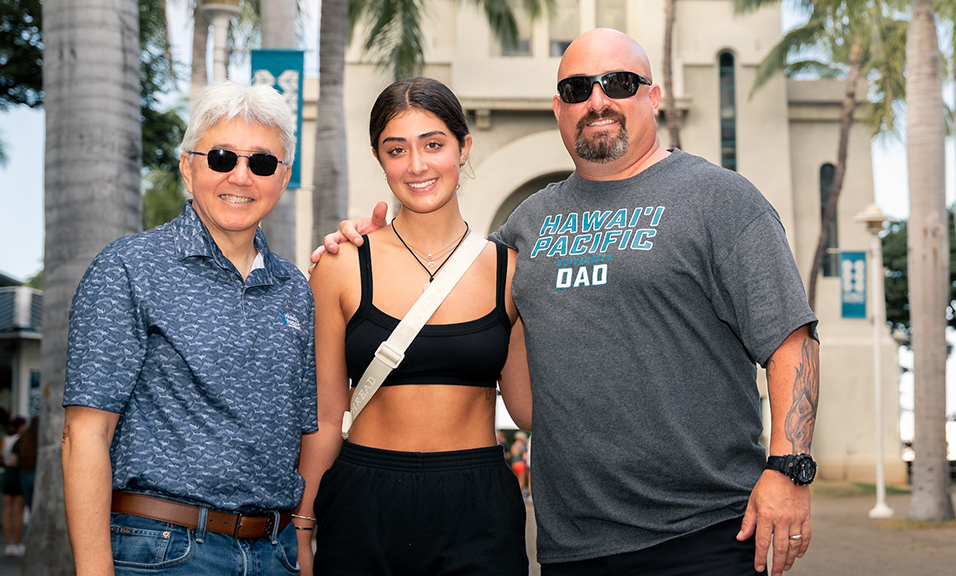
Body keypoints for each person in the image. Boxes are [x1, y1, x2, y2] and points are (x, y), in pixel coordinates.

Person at [313, 29, 820, 576]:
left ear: (652, 96)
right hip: (574, 543)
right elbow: (458, 297)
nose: (597, 100)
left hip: (706, 531)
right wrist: (368, 243)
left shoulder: (720, 199)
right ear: (559, 109)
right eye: (578, 88)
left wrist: (787, 469)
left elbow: (793, 339)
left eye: (619, 83)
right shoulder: (526, 229)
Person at [62, 80, 316, 576]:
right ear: (188, 165)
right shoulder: (130, 267)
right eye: (222, 157)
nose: (240, 176)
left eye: (261, 163)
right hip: (163, 552)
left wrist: (298, 546)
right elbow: (84, 436)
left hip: (275, 552)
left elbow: (306, 432)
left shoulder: (295, 289)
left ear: (282, 177)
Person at [295, 77, 532, 576]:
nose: (418, 165)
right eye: (397, 149)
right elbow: (323, 413)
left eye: (433, 144)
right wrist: (301, 526)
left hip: (478, 505)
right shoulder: (341, 266)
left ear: (463, 148)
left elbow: (528, 407)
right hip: (362, 499)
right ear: (380, 160)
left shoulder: (511, 273)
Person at [0, 415, 26, 557]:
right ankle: (18, 543)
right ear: (21, 427)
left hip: (7, 473)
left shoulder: (5, 439)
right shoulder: (22, 440)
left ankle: (9, 544)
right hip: (19, 473)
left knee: (7, 510)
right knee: (19, 511)